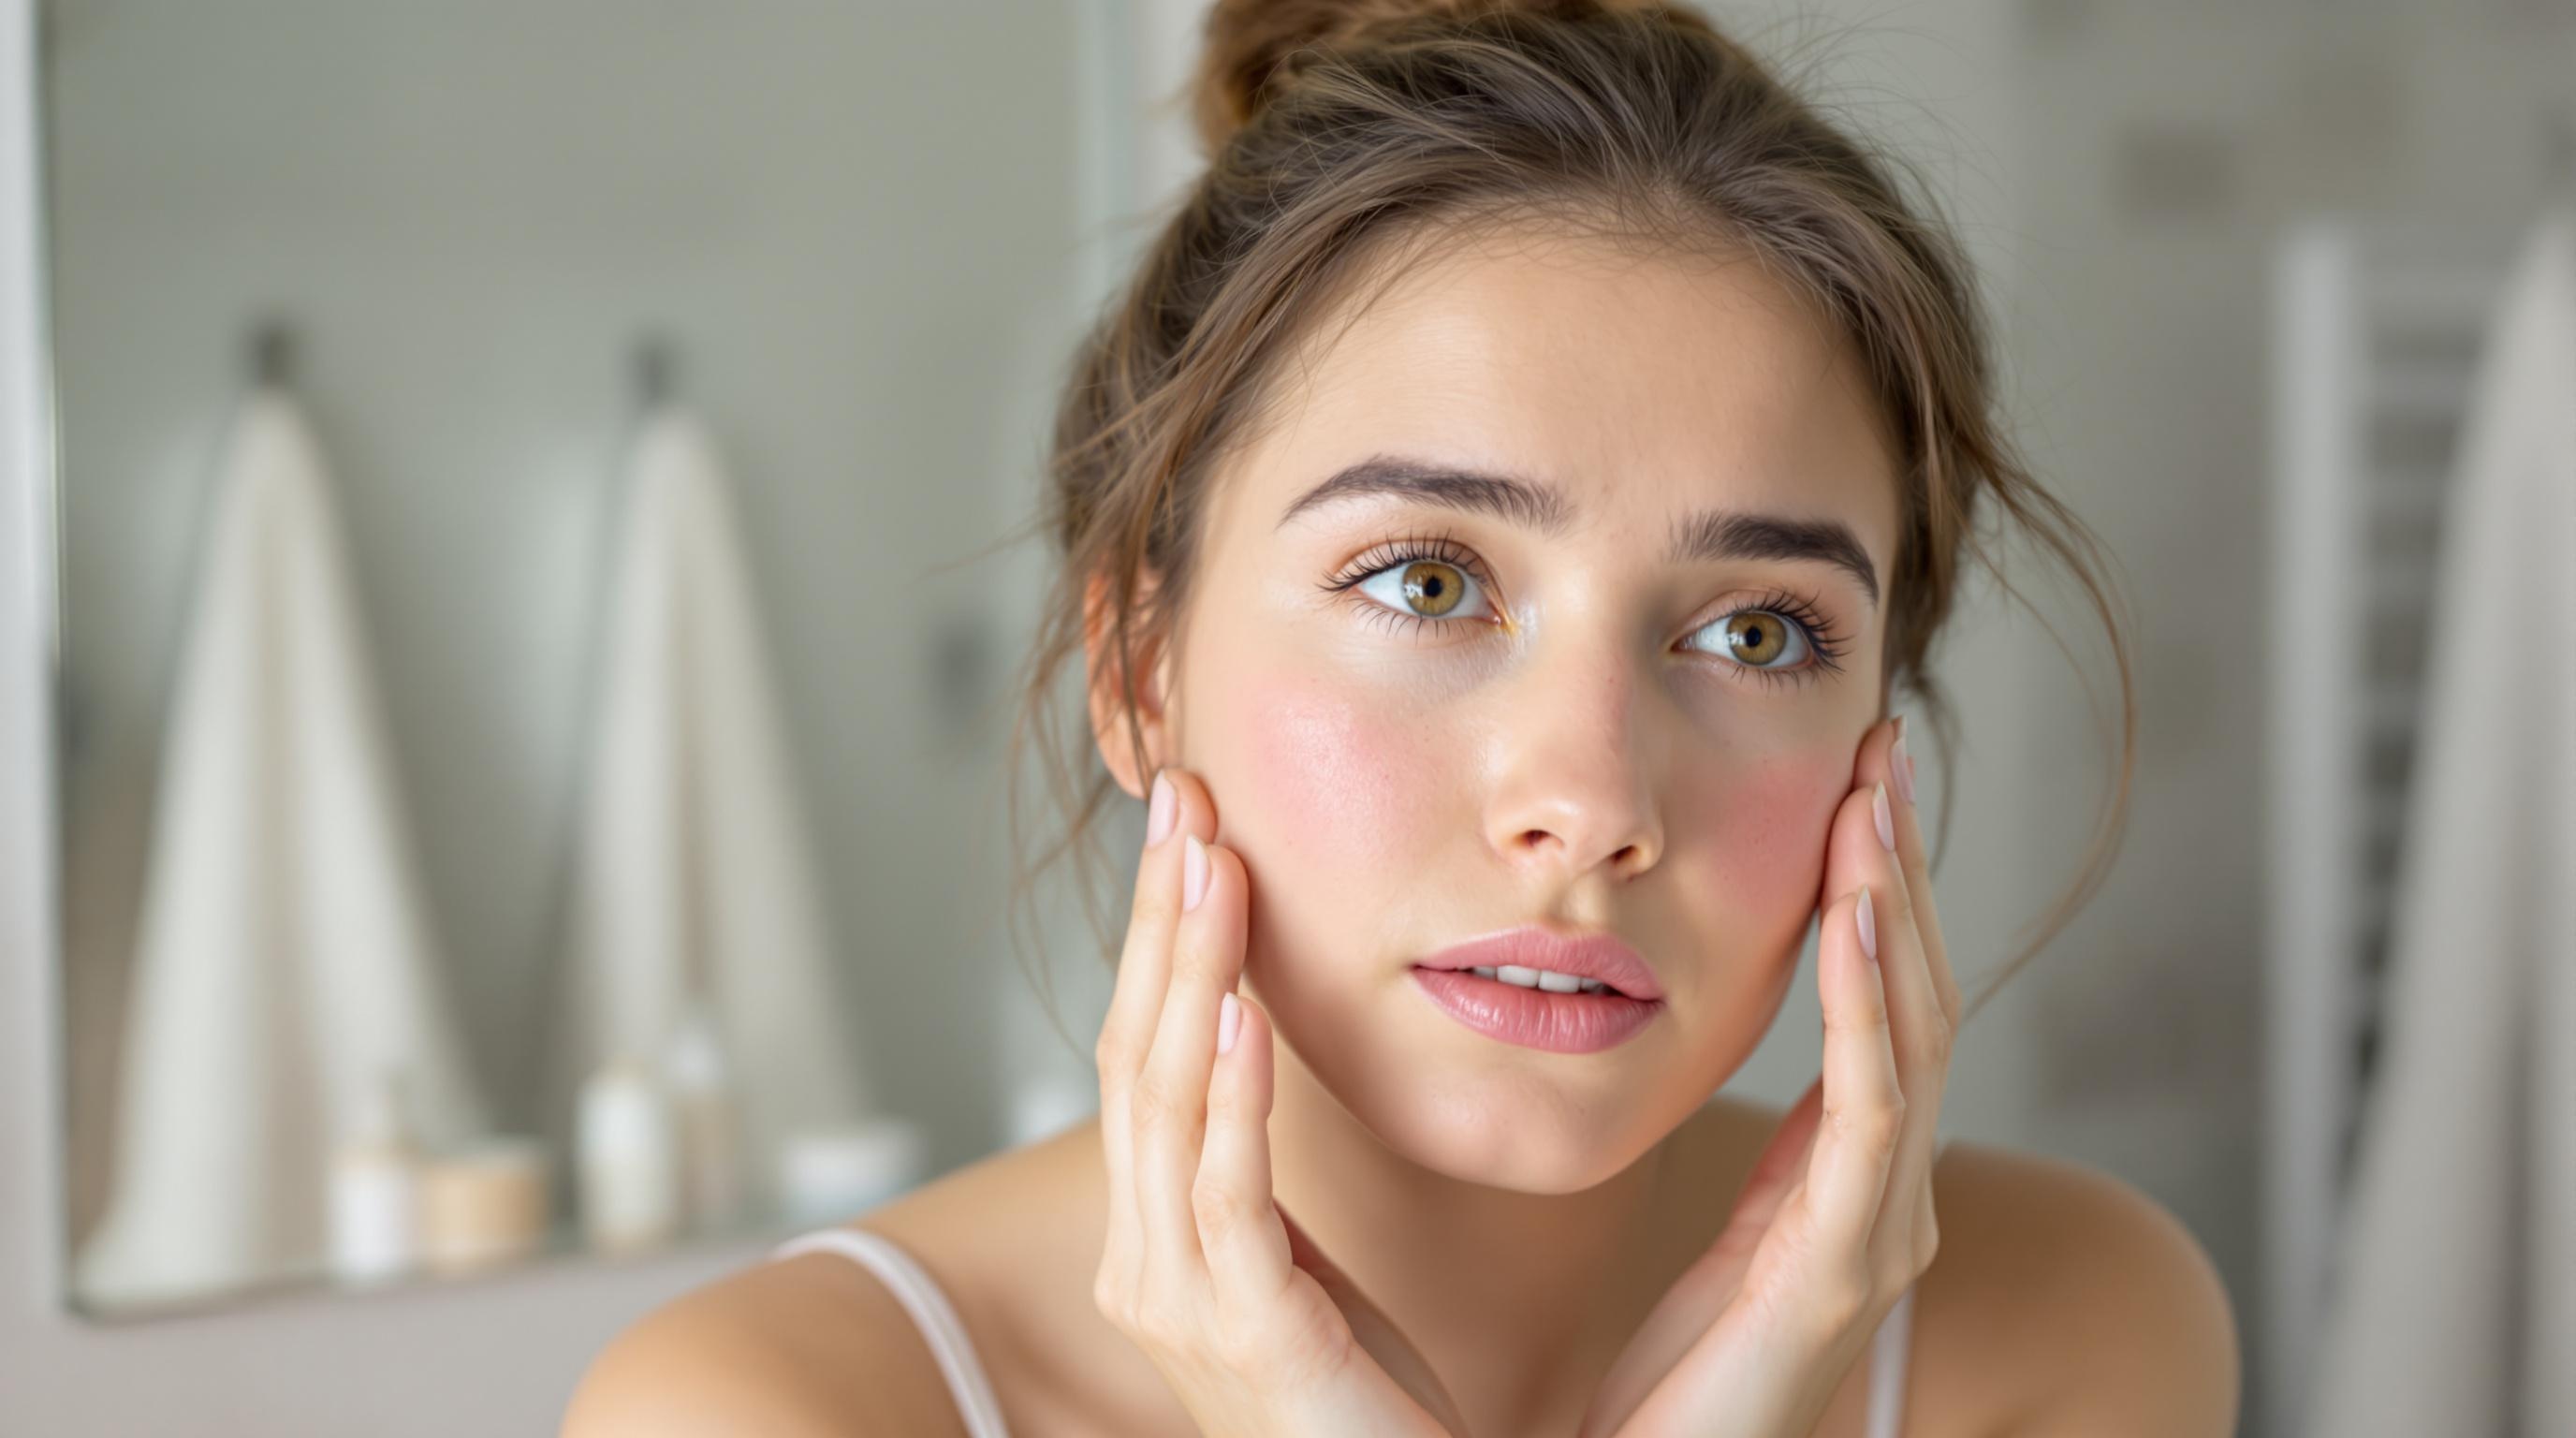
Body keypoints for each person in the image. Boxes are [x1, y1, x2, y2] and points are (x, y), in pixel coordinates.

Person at [563, 2, 2239, 1433]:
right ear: (1142, 670)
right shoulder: (780, 1412)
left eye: (1756, 627)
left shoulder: (2068, 1342)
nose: (1588, 800)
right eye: (1428, 584)